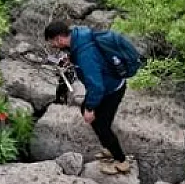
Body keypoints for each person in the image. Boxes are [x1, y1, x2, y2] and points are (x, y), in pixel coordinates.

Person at [44, 21, 132, 175]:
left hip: (111, 89)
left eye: (52, 42)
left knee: (100, 124)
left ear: (59, 39)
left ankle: (121, 161)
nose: (53, 46)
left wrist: (90, 109)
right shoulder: (78, 35)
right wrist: (71, 60)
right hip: (110, 84)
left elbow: (97, 87)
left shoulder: (85, 54)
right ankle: (109, 148)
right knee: (95, 117)